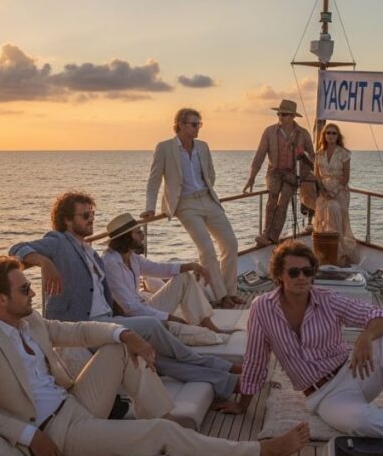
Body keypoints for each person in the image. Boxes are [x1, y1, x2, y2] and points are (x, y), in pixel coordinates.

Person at [0, 256, 310, 456]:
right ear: (0, 299)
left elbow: (78, 330)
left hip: (75, 403)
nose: (33, 294)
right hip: (58, 433)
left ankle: (166, 418)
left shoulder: (30, 322)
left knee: (121, 350)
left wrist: (125, 334)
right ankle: (257, 455)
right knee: (161, 435)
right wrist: (32, 437)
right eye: (25, 289)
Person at [216, 241, 383, 448]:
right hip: (324, 395)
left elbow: (382, 317)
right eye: (293, 272)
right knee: (362, 422)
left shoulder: (326, 299)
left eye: (307, 271)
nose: (301, 277)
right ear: (279, 276)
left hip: (354, 372)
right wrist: (243, 404)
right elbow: (255, 360)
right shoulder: (262, 309)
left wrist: (365, 337)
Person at [10, 191, 239, 401]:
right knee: (152, 326)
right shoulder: (58, 242)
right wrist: (44, 262)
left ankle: (225, 379)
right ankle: (218, 367)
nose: (91, 218)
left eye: (92, 213)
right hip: (83, 324)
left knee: (158, 359)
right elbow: (17, 248)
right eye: (85, 215)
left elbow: (151, 271)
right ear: (68, 220)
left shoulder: (87, 249)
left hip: (107, 319)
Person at [142, 108, 244, 309]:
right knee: (206, 248)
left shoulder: (203, 147)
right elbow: (154, 180)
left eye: (199, 124)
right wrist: (150, 208)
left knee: (231, 243)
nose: (198, 128)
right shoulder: (164, 148)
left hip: (208, 198)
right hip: (186, 204)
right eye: (194, 124)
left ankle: (230, 292)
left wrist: (206, 189)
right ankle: (220, 296)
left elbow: (210, 174)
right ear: (180, 124)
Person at [102, 212, 224, 334]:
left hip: (144, 307)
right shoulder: (110, 264)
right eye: (138, 232)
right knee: (182, 322)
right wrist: (170, 317)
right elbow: (130, 308)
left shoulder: (131, 257)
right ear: (126, 237)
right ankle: (203, 327)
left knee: (184, 276)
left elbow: (158, 269)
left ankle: (207, 325)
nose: (142, 236)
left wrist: (192, 265)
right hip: (135, 319)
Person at [243, 99, 316, 247]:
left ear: (292, 116)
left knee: (283, 203)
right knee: (272, 199)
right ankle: (265, 234)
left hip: (292, 173)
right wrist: (251, 178)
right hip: (274, 172)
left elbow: (313, 157)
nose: (280, 117)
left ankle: (273, 238)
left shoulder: (303, 134)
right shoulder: (269, 131)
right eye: (279, 114)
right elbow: (259, 156)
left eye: (284, 114)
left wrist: (304, 172)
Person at [313, 122, 358, 266]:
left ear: (338, 136)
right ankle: (324, 253)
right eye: (328, 133)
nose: (331, 136)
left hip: (339, 191)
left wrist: (334, 192)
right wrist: (323, 191)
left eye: (334, 133)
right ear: (324, 135)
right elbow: (316, 175)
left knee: (337, 218)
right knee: (323, 222)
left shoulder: (344, 153)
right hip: (323, 191)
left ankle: (340, 254)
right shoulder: (319, 154)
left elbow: (346, 177)